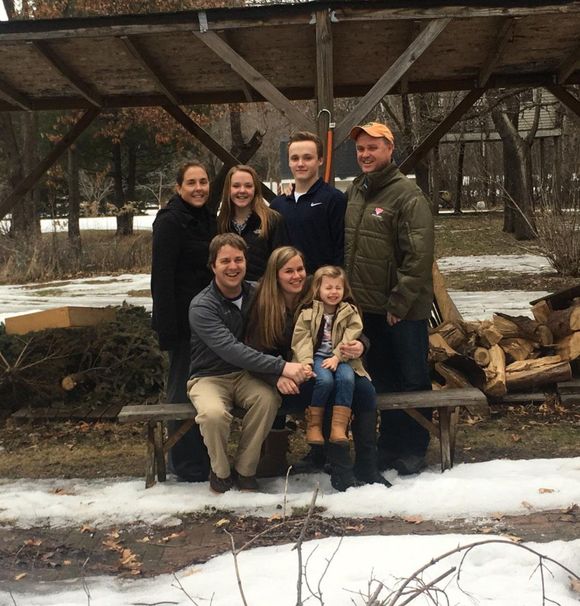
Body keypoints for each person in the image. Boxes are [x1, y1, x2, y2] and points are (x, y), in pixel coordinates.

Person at [246, 246, 391, 491]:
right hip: (290, 375)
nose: (296, 276)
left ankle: (367, 464)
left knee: (365, 390)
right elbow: (253, 350)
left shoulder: (321, 288)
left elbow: (351, 324)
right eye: (288, 271)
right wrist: (275, 375)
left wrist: (361, 345)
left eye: (300, 269)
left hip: (331, 364)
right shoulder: (264, 302)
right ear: (275, 274)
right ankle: (340, 469)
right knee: (330, 385)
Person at [187, 234, 312, 494]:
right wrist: (281, 368)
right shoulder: (202, 306)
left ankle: (246, 472)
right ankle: (220, 474)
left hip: (246, 375)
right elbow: (232, 350)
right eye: (225, 261)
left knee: (267, 400)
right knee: (213, 414)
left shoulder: (257, 293)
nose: (233, 267)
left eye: (238, 259)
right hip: (208, 377)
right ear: (213, 266)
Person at [345, 121, 435, 476]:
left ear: (389, 150)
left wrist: (399, 302)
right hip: (367, 307)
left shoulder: (407, 196)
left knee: (411, 378)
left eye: (373, 148)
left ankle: (414, 447)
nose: (365, 155)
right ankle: (390, 444)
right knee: (381, 378)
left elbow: (418, 256)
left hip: (402, 309)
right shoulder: (357, 190)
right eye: (360, 149)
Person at [151, 160, 216, 483]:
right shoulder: (171, 222)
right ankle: (184, 461)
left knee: (202, 389)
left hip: (206, 322)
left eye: (203, 181)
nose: (198, 188)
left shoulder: (206, 219)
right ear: (178, 188)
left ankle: (200, 458)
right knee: (181, 392)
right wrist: (167, 329)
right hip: (179, 324)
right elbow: (160, 278)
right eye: (191, 182)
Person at [291, 266, 370, 446]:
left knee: (347, 378)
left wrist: (337, 356)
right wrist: (306, 363)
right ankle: (314, 425)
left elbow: (352, 333)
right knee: (325, 380)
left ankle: (339, 427)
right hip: (317, 357)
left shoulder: (349, 311)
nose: (333, 292)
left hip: (342, 357)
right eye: (328, 288)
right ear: (317, 289)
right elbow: (301, 339)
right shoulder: (307, 312)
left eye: (338, 288)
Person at [270, 132, 346, 274]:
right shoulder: (277, 205)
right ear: (288, 162)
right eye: (294, 158)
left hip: (321, 288)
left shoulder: (334, 200)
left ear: (320, 160)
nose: (300, 164)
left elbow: (341, 250)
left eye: (307, 158)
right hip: (285, 289)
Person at [218, 164, 289, 280]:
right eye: (236, 186)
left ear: (255, 189)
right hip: (229, 294)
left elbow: (281, 263)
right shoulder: (221, 223)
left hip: (262, 293)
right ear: (228, 189)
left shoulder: (272, 220)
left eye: (248, 186)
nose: (242, 190)